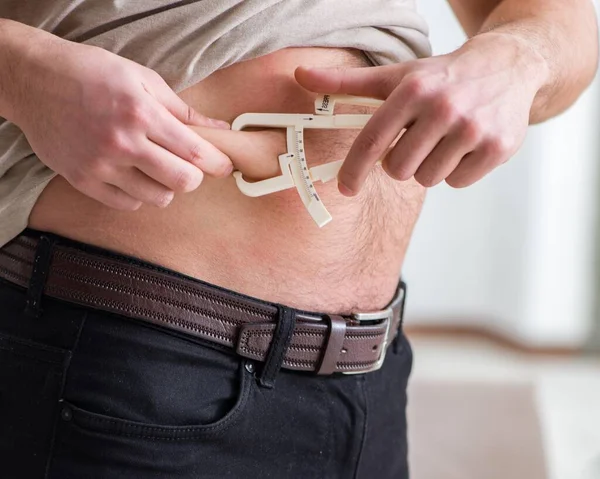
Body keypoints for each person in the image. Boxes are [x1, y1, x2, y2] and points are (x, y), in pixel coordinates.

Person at [0, 1, 597, 478]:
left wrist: (520, 57)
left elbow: (561, 21)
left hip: (370, 379)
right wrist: (23, 73)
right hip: (131, 359)